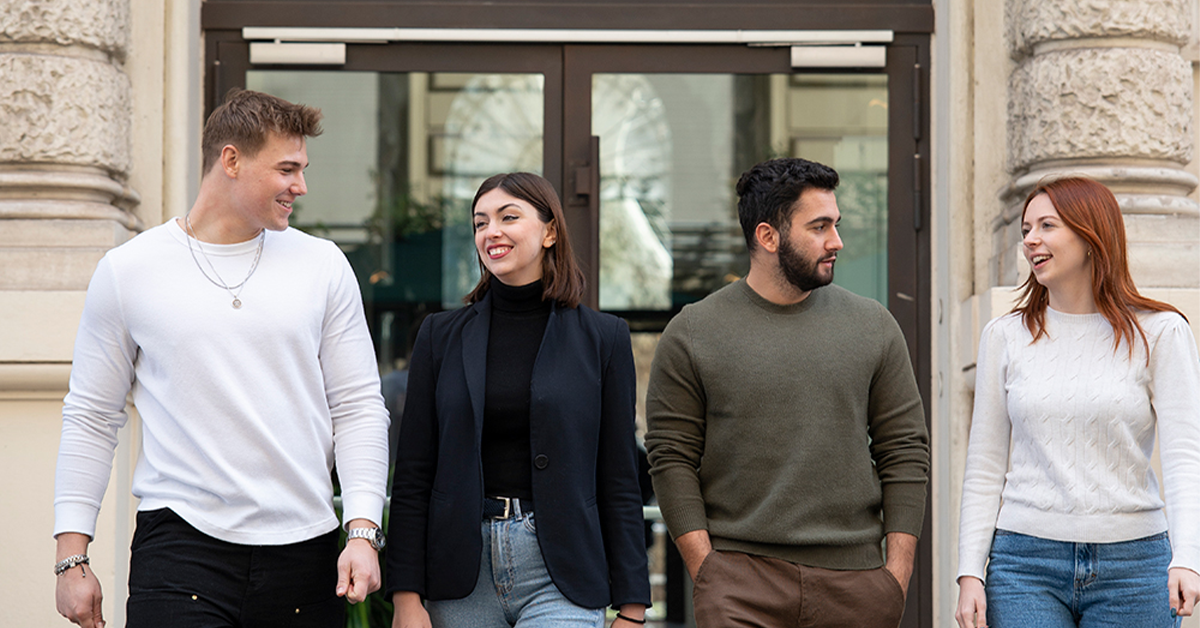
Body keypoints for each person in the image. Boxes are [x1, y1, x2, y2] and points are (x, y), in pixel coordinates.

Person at [53, 89, 391, 628]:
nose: (300, 186)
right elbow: (92, 416)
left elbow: (357, 408)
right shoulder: (129, 270)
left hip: (305, 550)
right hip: (180, 549)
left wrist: (362, 530)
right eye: (287, 169)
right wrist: (72, 558)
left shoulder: (322, 265)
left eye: (302, 169)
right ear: (231, 160)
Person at [645, 157, 930, 628]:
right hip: (740, 585)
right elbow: (671, 456)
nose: (836, 241)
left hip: (856, 583)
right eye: (819, 227)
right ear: (767, 236)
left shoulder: (873, 326)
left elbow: (904, 450)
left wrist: (895, 576)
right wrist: (708, 571)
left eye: (835, 224)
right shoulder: (693, 332)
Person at [386, 172, 650, 627]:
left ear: (550, 231)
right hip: (461, 573)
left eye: (509, 217)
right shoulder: (440, 337)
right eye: (480, 222)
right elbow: (414, 476)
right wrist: (406, 598)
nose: (492, 232)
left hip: (561, 571)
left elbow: (619, 478)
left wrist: (632, 608)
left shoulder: (604, 339)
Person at [955, 176, 1200, 628]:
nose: (1031, 240)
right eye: (1026, 228)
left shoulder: (1161, 332)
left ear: (1091, 236)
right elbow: (985, 464)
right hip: (1023, 563)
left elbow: (1185, 454)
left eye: (1047, 225)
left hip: (1135, 567)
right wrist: (969, 571)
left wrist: (1188, 556)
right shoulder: (1005, 336)